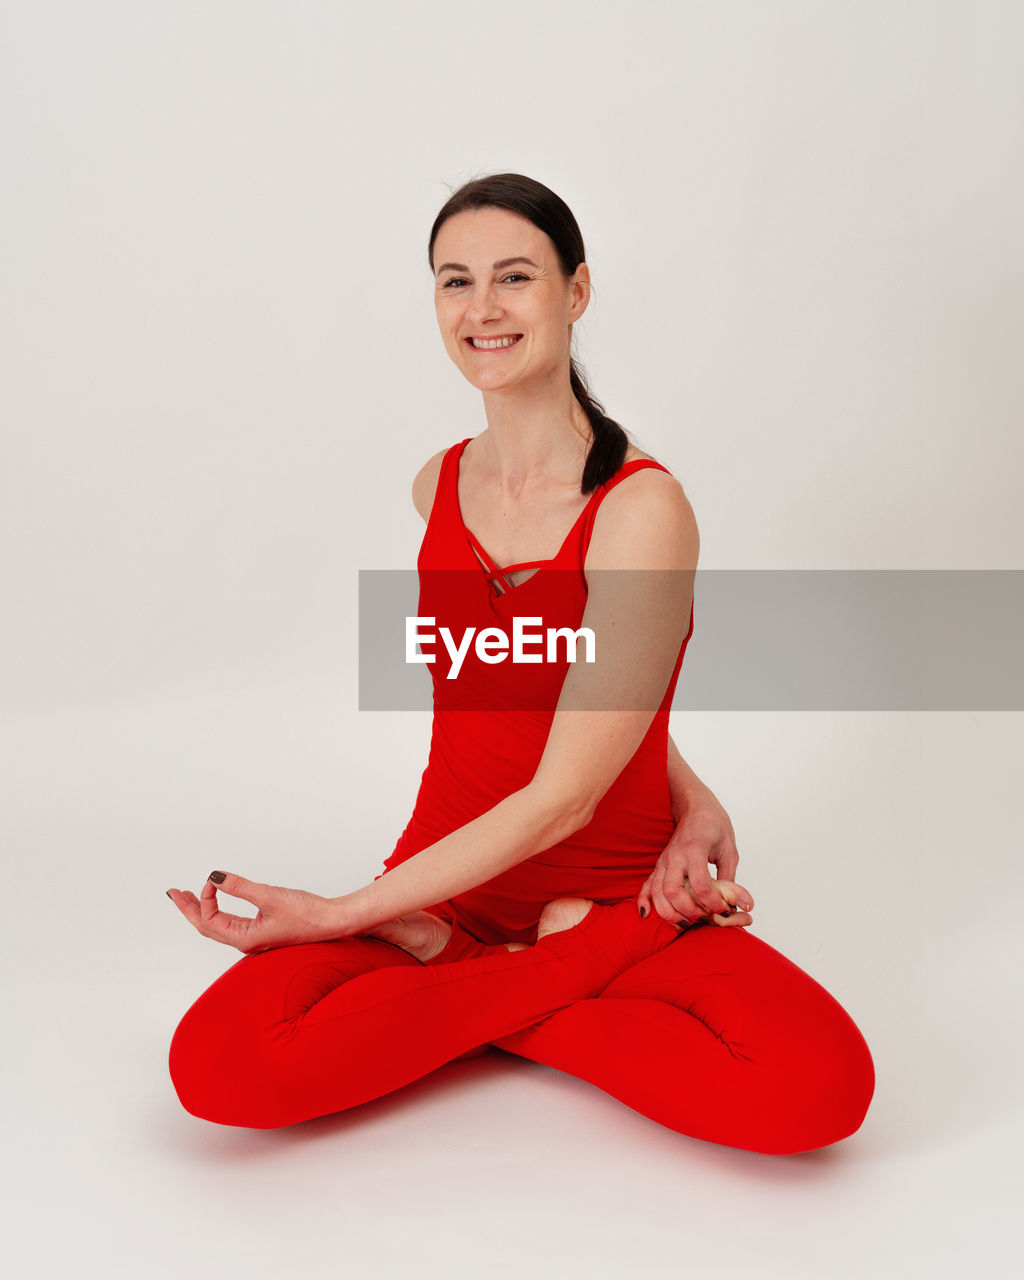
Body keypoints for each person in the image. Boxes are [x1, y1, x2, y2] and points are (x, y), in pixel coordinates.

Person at [167, 173, 874, 1154]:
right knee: (217, 1064)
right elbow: (546, 680)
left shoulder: (639, 511)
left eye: (515, 277)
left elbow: (565, 793)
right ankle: (516, 963)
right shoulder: (438, 486)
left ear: (574, 292)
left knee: (816, 1088)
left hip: (623, 896)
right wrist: (698, 799)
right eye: (455, 282)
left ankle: (479, 972)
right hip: (444, 882)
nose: (483, 308)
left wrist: (343, 912)